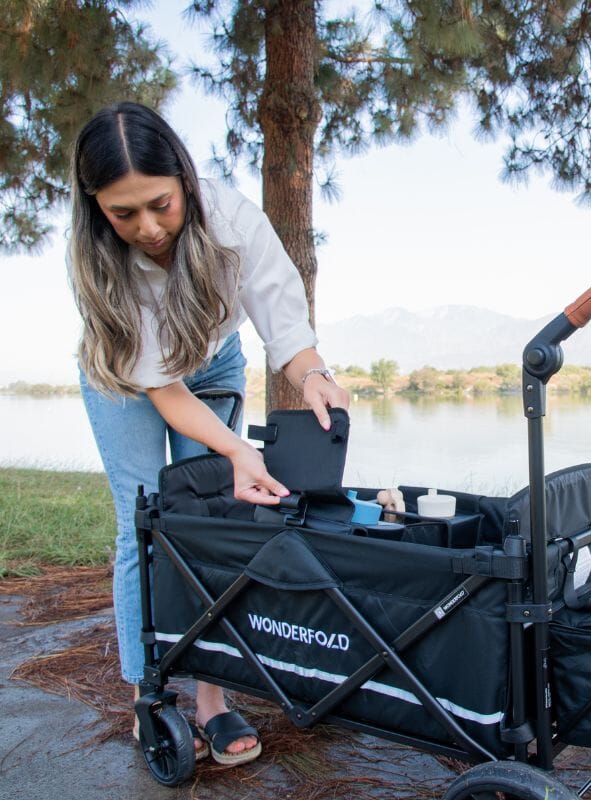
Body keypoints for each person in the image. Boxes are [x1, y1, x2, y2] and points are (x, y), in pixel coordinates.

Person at [68, 101, 349, 766]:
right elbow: (162, 390)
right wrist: (237, 450)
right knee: (146, 521)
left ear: (186, 182)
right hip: (124, 376)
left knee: (214, 522)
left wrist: (312, 375)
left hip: (213, 358)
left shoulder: (230, 221)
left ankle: (213, 701)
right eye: (123, 213)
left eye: (159, 205)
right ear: (96, 208)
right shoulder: (97, 265)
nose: (147, 227)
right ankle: (153, 693)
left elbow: (283, 316)